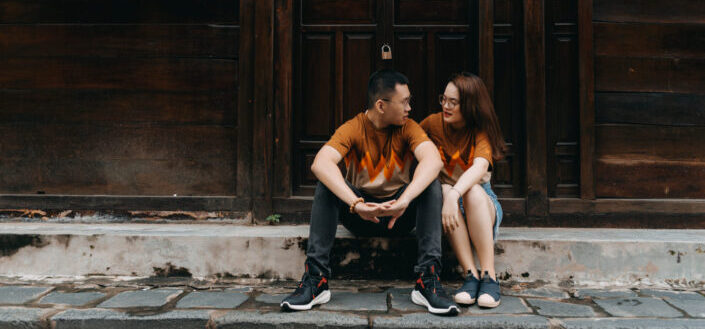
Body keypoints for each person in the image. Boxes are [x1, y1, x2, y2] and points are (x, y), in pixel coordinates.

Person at [280, 69, 459, 315]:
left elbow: (433, 161)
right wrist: (357, 204)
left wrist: (404, 200)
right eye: (404, 102)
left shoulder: (409, 128)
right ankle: (316, 279)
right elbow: (320, 163)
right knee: (326, 184)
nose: (410, 107)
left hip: (399, 216)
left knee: (430, 183)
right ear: (381, 105)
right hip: (361, 215)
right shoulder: (354, 128)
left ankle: (428, 280)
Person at [420, 72, 506, 308]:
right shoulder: (432, 124)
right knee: (445, 191)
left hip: (481, 203)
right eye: (443, 99)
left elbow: (479, 167)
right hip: (449, 205)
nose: (446, 106)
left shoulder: (480, 130)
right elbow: (406, 141)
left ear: (469, 105)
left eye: (453, 102)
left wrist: (455, 192)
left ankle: (490, 276)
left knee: (471, 191)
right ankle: (471, 275)